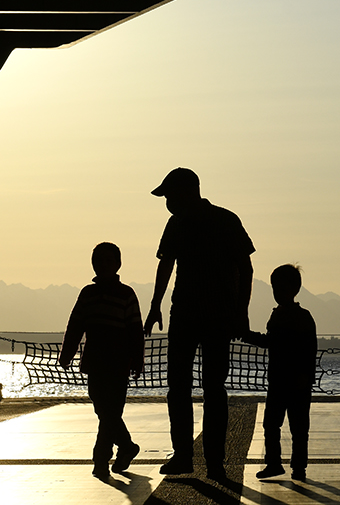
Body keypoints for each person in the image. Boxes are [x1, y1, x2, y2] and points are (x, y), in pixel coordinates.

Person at [143, 167, 254, 480]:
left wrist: (240, 311)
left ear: (185, 192)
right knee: (198, 388)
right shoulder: (199, 221)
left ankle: (202, 459)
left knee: (195, 388)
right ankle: (197, 459)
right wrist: (154, 306)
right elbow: (167, 264)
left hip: (205, 315)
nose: (166, 203)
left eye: (168, 196)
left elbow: (245, 268)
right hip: (195, 314)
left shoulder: (221, 220)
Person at [59, 242, 144, 479]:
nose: (104, 265)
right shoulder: (87, 294)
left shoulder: (127, 295)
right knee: (104, 410)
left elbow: (136, 331)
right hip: (95, 363)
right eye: (100, 261)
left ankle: (101, 459)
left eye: (109, 261)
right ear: (94, 265)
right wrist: (67, 354)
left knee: (110, 412)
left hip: (118, 365)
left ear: (118, 264)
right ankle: (126, 447)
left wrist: (137, 361)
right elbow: (75, 326)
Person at [243, 264, 317, 483]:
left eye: (277, 287)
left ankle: (278, 463)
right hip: (292, 383)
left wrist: (247, 335)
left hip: (284, 381)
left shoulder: (283, 317)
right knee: (296, 427)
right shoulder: (302, 317)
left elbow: (271, 342)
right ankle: (295, 467)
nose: (275, 292)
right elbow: (310, 351)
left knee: (278, 425)